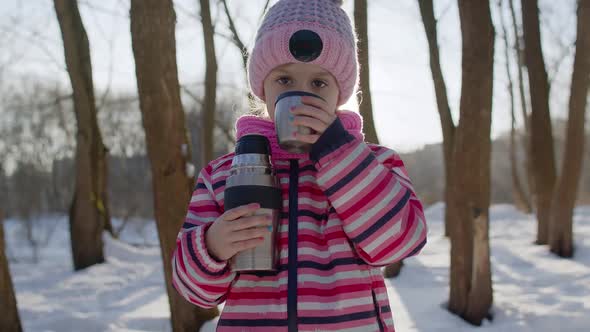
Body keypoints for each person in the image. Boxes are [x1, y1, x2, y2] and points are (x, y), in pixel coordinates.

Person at [171, 0, 427, 330]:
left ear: (340, 93)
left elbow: (401, 242)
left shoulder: (373, 163)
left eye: (318, 83)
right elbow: (192, 290)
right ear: (263, 87)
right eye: (285, 80)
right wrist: (212, 246)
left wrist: (338, 152)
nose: (301, 94)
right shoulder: (223, 174)